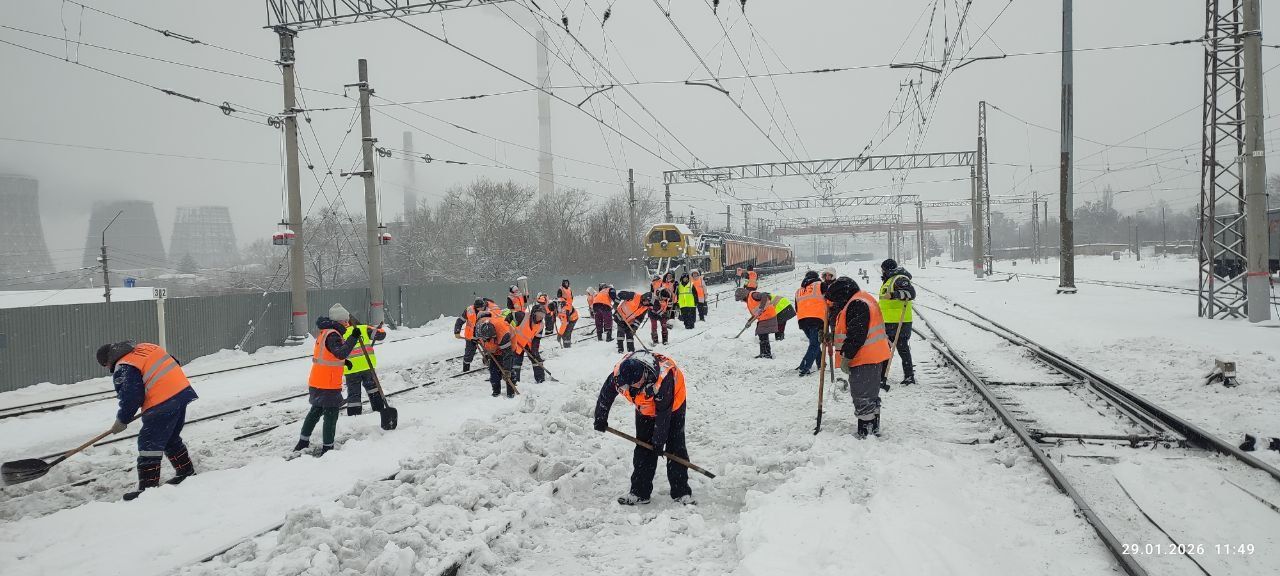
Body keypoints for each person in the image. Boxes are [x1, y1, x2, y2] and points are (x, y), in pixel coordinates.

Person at [97, 340, 199, 500]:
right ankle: (186, 471)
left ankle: (148, 489)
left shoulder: (124, 366)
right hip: (182, 393)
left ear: (107, 361)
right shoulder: (146, 347)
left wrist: (122, 420)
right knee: (170, 437)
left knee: (148, 443)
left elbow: (131, 397)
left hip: (162, 402)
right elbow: (174, 362)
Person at [593, 350, 694, 506]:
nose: (631, 387)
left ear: (644, 375)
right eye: (628, 385)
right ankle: (640, 492)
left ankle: (681, 492)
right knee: (643, 446)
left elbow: (663, 415)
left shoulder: (663, 379)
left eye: (635, 383)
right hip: (645, 408)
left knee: (675, 445)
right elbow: (607, 393)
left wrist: (659, 442)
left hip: (672, 405)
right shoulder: (620, 374)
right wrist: (600, 416)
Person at [825, 276, 892, 438]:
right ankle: (872, 427)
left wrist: (847, 356)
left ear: (842, 295)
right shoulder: (860, 299)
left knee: (862, 396)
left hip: (865, 358)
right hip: (873, 356)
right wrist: (831, 338)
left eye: (835, 301)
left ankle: (866, 432)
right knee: (869, 395)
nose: (834, 305)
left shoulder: (856, 304)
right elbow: (849, 329)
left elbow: (856, 334)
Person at [295, 315, 365, 456]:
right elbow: (341, 353)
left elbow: (328, 355)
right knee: (331, 414)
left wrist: (345, 363)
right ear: (338, 321)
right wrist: (353, 338)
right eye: (345, 320)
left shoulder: (325, 332)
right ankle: (328, 448)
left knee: (316, 410)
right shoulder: (333, 335)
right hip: (328, 383)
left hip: (318, 380)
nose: (347, 323)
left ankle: (303, 441)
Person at [325, 304, 389, 416]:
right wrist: (376, 329)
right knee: (373, 390)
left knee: (353, 395)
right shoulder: (362, 328)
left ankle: (354, 416)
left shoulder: (335, 335)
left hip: (351, 371)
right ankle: (379, 410)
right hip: (367, 367)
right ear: (346, 319)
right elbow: (382, 335)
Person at [878, 259, 917, 386]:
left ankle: (909, 376)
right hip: (889, 321)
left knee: (902, 348)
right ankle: (882, 375)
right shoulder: (889, 280)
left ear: (887, 269)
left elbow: (911, 293)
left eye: (883, 269)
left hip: (900, 321)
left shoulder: (900, 278)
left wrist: (894, 294)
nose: (882, 271)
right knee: (884, 348)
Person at [453, 297, 501, 372]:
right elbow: (460, 321)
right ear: (476, 307)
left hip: (484, 335)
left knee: (489, 350)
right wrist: (457, 331)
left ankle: (488, 363)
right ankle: (466, 369)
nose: (482, 309)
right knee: (469, 354)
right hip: (471, 336)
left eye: (483, 307)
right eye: (480, 308)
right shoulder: (469, 310)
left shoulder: (488, 311)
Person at [794, 271, 827, 376]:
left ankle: (821, 363)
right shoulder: (820, 285)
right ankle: (804, 367)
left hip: (803, 320)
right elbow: (830, 298)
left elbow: (796, 307)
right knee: (814, 344)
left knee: (814, 343)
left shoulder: (799, 291)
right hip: (816, 319)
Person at [476, 316, 517, 397]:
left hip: (508, 346)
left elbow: (507, 354)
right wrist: (487, 354)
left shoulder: (503, 334)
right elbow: (486, 344)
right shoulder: (480, 329)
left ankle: (511, 393)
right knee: (493, 370)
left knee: (508, 372)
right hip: (495, 347)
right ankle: (496, 392)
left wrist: (507, 370)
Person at [738, 288, 782, 359]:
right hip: (763, 317)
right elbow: (756, 313)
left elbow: (764, 295)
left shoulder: (753, 295)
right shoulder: (749, 301)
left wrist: (761, 308)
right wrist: (749, 321)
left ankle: (766, 354)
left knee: (762, 334)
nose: (741, 301)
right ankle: (764, 353)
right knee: (762, 335)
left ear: (744, 296)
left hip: (768, 315)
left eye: (740, 299)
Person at [511, 307, 547, 385]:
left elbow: (537, 339)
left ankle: (540, 379)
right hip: (517, 342)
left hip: (529, 343)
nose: (540, 317)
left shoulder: (541, 325)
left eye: (542, 315)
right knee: (516, 362)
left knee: (537, 359)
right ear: (534, 313)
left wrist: (534, 351)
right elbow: (509, 317)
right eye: (539, 314)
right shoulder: (523, 316)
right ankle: (514, 381)